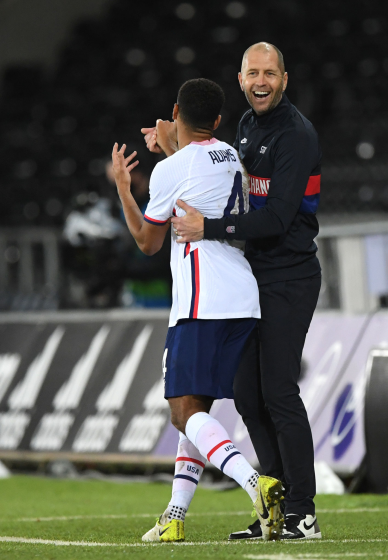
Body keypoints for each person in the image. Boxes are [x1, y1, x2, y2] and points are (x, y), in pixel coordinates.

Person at [142, 43, 322, 541]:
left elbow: (277, 218)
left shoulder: (296, 135)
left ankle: (302, 514)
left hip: (288, 276)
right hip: (248, 278)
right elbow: (210, 179)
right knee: (248, 396)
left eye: (270, 73)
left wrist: (210, 228)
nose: (260, 81)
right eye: (252, 74)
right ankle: (274, 504)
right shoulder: (244, 127)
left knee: (280, 392)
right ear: (240, 79)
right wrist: (175, 146)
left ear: (285, 78)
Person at [112, 78, 284, 543]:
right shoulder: (230, 155)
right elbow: (196, 173)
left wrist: (125, 189)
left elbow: (148, 243)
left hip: (200, 300)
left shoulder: (172, 171)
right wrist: (171, 146)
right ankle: (174, 515)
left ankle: (256, 483)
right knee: (197, 407)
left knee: (181, 411)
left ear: (175, 110)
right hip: (243, 299)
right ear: (219, 120)